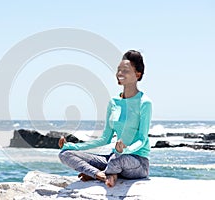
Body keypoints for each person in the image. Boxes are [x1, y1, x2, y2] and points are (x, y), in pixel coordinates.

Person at [58, 50, 152, 187]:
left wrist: (124, 150)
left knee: (117, 160)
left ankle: (106, 173)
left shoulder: (144, 103)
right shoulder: (113, 102)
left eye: (125, 70)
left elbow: (142, 139)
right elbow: (105, 139)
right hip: (114, 157)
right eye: (119, 70)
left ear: (137, 74)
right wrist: (71, 146)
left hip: (137, 162)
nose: (120, 73)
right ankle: (100, 175)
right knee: (65, 154)